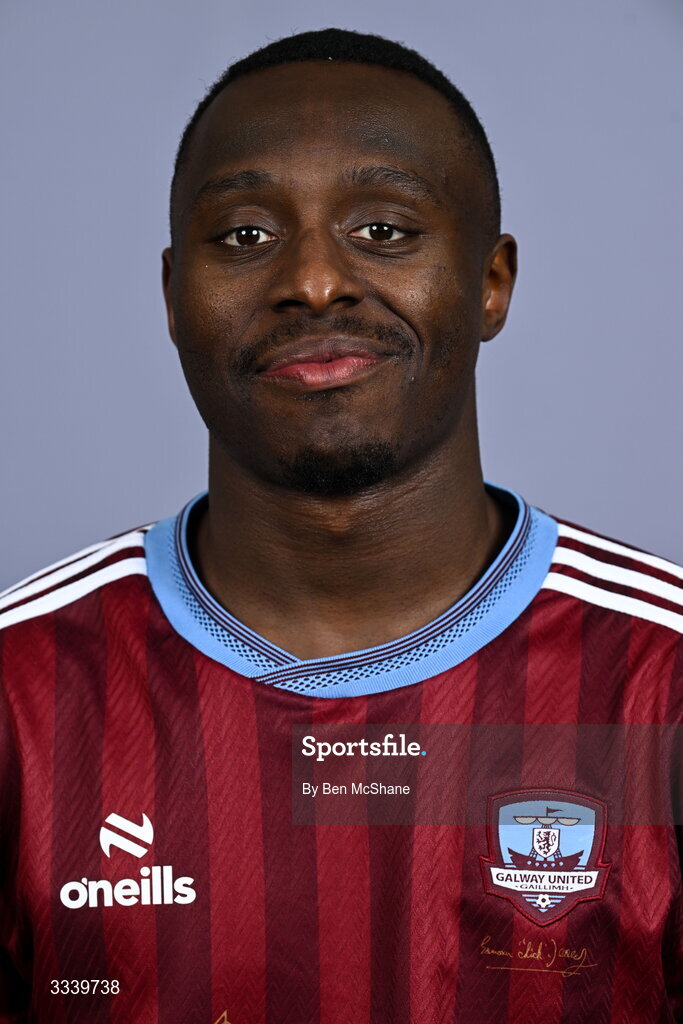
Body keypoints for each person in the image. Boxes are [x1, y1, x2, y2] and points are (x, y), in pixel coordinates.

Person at [1, 26, 681, 1024]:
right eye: (245, 236)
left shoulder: (659, 677)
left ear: (489, 283)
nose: (314, 281)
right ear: (172, 297)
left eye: (384, 230)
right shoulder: (19, 687)